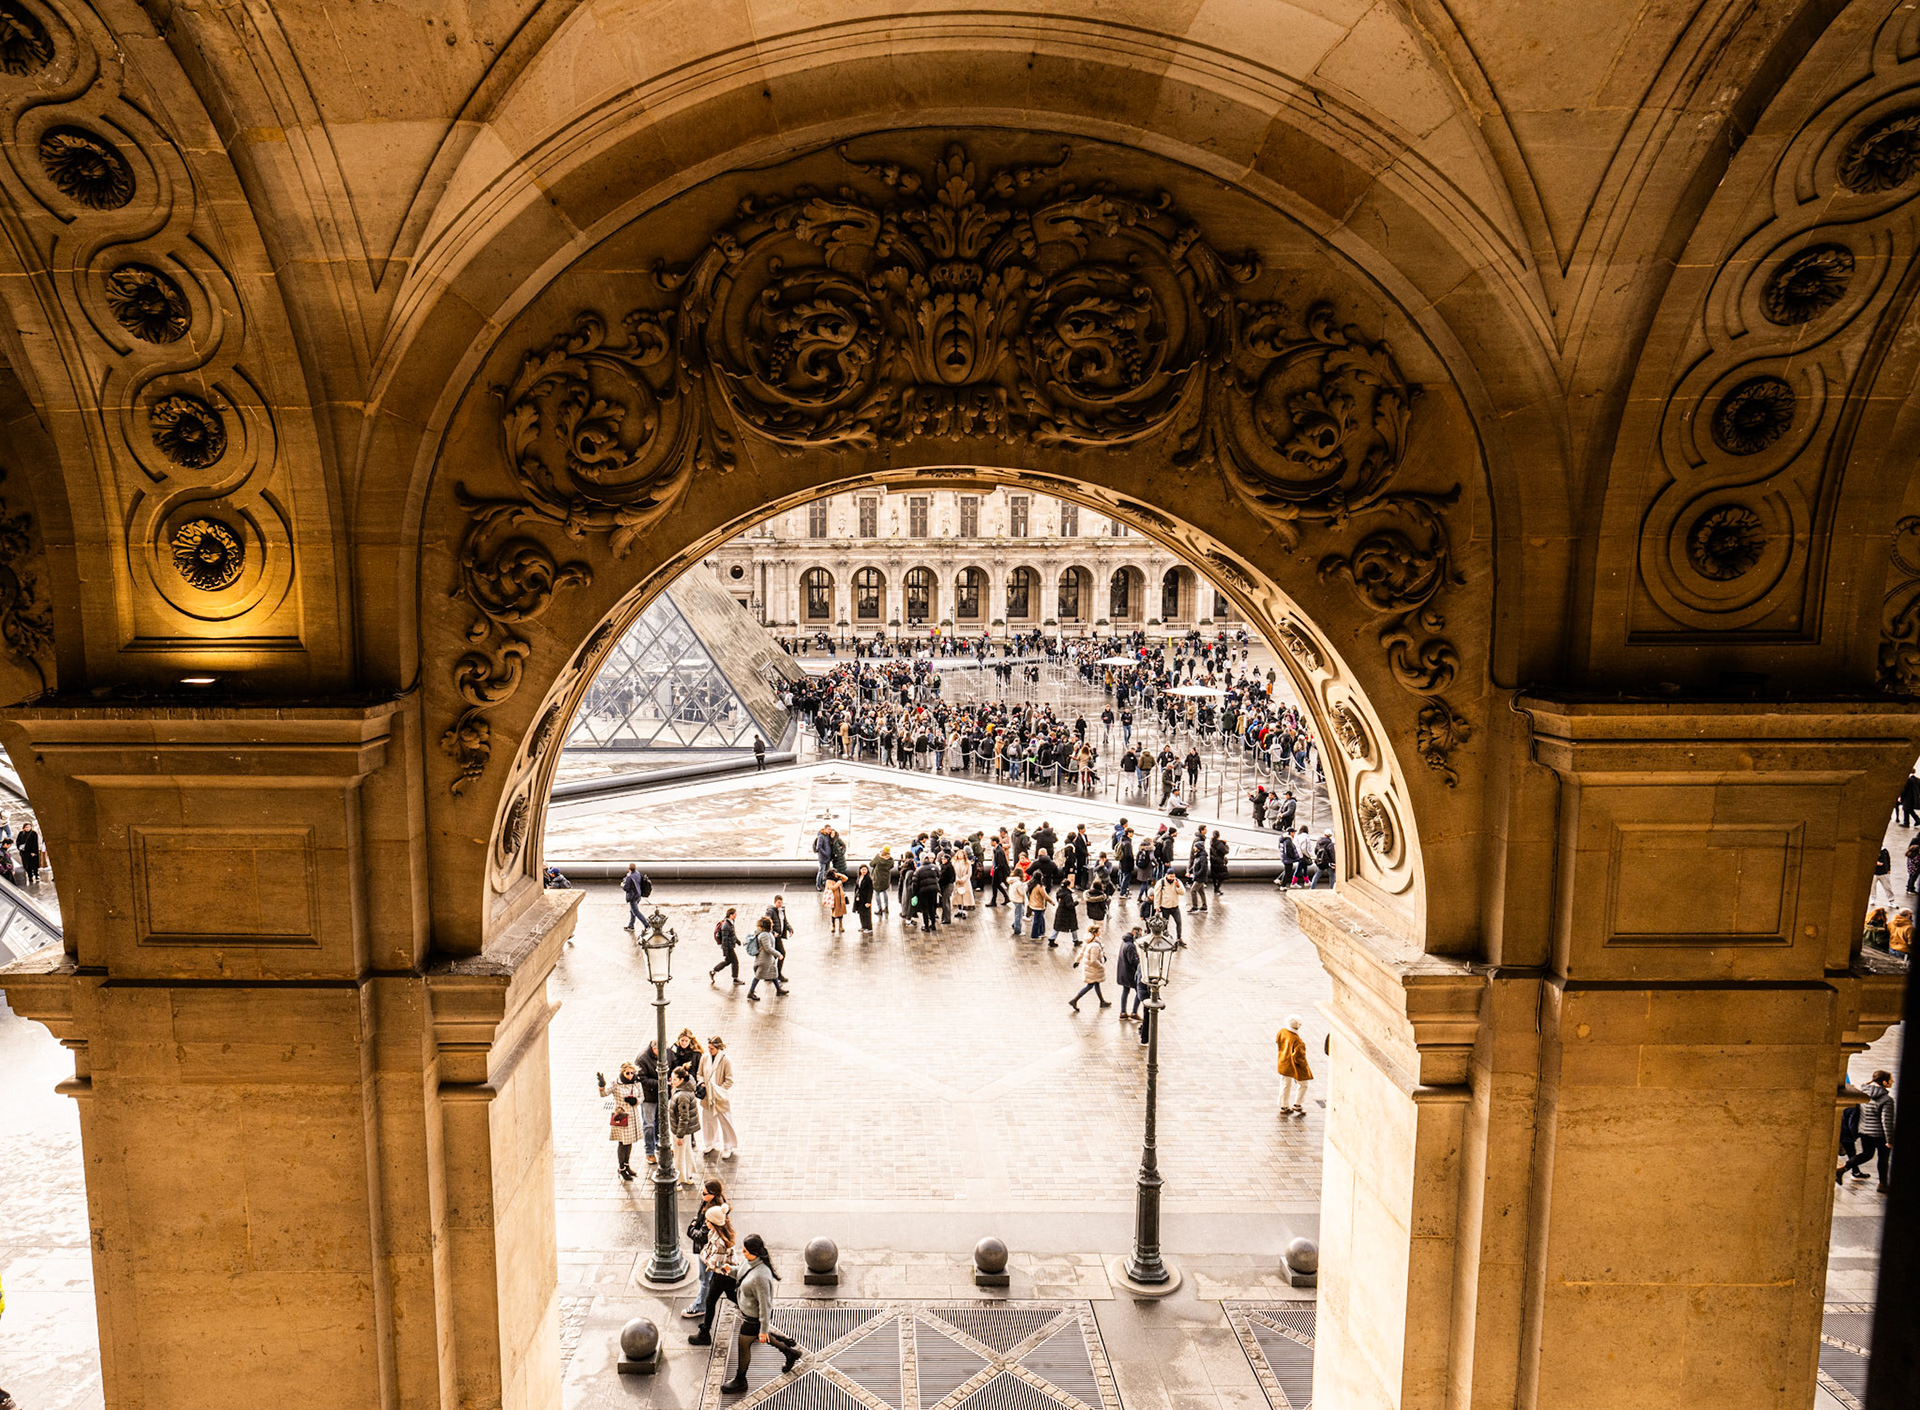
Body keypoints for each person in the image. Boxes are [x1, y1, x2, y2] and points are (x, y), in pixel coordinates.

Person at [720, 1234, 805, 1392]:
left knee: (743, 1344)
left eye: (745, 1250)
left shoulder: (761, 1276)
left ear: (755, 1252)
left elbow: (766, 1305)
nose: (742, 1252)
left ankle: (740, 1380)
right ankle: (790, 1352)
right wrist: (729, 1270)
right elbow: (742, 1272)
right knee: (763, 1338)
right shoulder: (750, 1261)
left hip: (754, 1318)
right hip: (749, 1314)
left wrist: (763, 1328)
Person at [689, 1201, 740, 1348]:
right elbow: (707, 1250)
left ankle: (705, 1334)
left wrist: (704, 1257)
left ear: (714, 1223)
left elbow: (714, 1262)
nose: (705, 1222)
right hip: (725, 1274)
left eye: (708, 1220)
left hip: (722, 1275)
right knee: (732, 1296)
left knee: (711, 1302)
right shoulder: (717, 1233)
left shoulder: (719, 1242)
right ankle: (754, 1315)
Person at [682, 1178, 729, 1320]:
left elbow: (701, 1236)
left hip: (706, 1251)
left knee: (705, 1279)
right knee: (709, 1279)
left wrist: (691, 1227)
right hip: (708, 1250)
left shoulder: (713, 1211)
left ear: (713, 1194)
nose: (701, 1196)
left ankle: (700, 1306)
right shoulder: (708, 1204)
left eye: (704, 1193)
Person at [1842, 1070, 1896, 1192]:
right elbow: (1886, 1121)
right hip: (1880, 1134)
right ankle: (1883, 1184)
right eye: (1891, 1079)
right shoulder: (1887, 1100)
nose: (1893, 1081)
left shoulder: (1863, 1094)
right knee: (1883, 1159)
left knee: (1866, 1154)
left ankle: (1843, 1168)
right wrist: (1889, 1140)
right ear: (1884, 1082)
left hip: (1864, 1131)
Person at [597, 1062, 643, 1179]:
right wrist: (602, 1086)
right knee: (623, 1142)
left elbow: (642, 1096)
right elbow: (604, 1094)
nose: (630, 1075)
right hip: (622, 1116)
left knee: (630, 1141)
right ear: (622, 1072)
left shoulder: (636, 1082)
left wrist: (636, 1101)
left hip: (634, 1115)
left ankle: (627, 1165)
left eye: (632, 1073)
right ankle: (621, 1168)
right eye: (627, 1073)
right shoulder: (616, 1083)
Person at [700, 1035, 737, 1159]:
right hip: (707, 1096)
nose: (709, 1050)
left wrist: (719, 1090)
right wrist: (702, 1083)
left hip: (719, 1097)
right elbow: (699, 1074)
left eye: (712, 1048)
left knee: (725, 1122)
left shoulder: (726, 1060)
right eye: (708, 1048)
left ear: (718, 1048)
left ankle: (728, 1146)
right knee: (708, 1121)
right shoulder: (704, 1058)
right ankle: (709, 1142)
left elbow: (729, 1080)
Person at [667, 1066, 703, 1184]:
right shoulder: (687, 1087)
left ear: (682, 1079)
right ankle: (688, 1175)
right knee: (687, 1151)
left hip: (681, 1130)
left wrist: (679, 1135)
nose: (672, 1082)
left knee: (679, 1155)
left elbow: (683, 1117)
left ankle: (679, 1179)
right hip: (687, 1130)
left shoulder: (682, 1095)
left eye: (675, 1079)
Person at [1276, 1015, 1313, 1115]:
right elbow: (1299, 1058)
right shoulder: (1298, 1041)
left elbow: (1278, 1042)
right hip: (1295, 1066)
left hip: (1283, 1062)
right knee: (1303, 1084)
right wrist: (1305, 1067)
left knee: (1285, 1085)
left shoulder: (1282, 1032)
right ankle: (1298, 1104)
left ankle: (1284, 1105)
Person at [633, 1040, 661, 1163]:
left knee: (661, 1121)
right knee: (649, 1124)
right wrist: (660, 1082)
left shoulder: (667, 1052)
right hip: (649, 1096)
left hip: (662, 1095)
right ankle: (649, 1151)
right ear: (653, 1048)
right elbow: (642, 1079)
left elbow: (673, 1063)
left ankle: (660, 1143)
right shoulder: (642, 1059)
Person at [1069, 927, 1111, 1010]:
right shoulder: (1095, 945)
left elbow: (1082, 951)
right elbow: (1093, 960)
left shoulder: (1089, 940)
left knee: (1096, 983)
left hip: (1089, 967)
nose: (1100, 932)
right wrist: (1101, 966)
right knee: (1090, 985)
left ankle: (1102, 1001)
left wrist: (1077, 961)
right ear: (1095, 933)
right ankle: (1074, 1000)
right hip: (1093, 968)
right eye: (1099, 931)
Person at [747, 917, 786, 999]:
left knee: (774, 974)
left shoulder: (767, 933)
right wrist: (778, 954)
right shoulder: (764, 935)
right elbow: (768, 948)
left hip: (769, 959)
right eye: (771, 924)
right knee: (758, 976)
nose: (773, 925)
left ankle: (778, 989)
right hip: (764, 960)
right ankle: (750, 992)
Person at [1115, 928, 1143, 1019]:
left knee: (1125, 991)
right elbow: (1133, 961)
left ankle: (1123, 1012)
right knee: (1139, 991)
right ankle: (1134, 1012)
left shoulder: (1124, 942)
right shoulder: (1131, 945)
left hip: (1123, 971)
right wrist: (1139, 959)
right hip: (1130, 973)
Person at [764, 896, 793, 980]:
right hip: (774, 937)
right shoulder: (771, 911)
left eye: (781, 902)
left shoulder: (782, 911)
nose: (780, 904)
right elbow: (766, 922)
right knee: (781, 953)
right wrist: (773, 933)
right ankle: (777, 974)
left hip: (779, 936)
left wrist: (789, 929)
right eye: (778, 903)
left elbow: (784, 921)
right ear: (775, 902)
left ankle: (771, 974)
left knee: (775, 955)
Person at [711, 908, 743, 983]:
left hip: (730, 946)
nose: (736, 915)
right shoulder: (726, 926)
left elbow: (732, 934)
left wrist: (737, 941)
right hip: (728, 947)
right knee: (735, 962)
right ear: (731, 915)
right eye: (735, 914)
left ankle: (713, 971)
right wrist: (725, 951)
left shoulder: (730, 923)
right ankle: (735, 978)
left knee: (728, 961)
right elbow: (724, 940)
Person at [1151, 869, 1185, 940]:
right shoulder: (1161, 882)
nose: (1172, 878)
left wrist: (1178, 886)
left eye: (1173, 876)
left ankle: (1179, 938)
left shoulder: (1177, 881)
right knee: (1165, 924)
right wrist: (1157, 906)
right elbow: (1157, 895)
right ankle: (1165, 937)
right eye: (1171, 876)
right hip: (1165, 907)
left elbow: (1182, 893)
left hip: (1175, 906)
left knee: (1179, 922)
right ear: (1166, 875)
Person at [1051, 881, 1079, 951]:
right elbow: (1069, 905)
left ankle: (1051, 939)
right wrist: (1076, 902)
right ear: (1067, 886)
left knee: (1057, 927)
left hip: (1060, 912)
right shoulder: (1067, 895)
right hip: (1068, 914)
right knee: (1073, 927)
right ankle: (1075, 940)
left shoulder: (1059, 892)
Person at [622, 861, 650, 930]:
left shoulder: (629, 877)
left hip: (632, 896)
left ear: (629, 869)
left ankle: (647, 925)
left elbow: (626, 888)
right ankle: (631, 925)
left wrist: (622, 885)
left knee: (636, 912)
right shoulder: (638, 874)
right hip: (638, 895)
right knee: (632, 911)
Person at [870, 847, 894, 918]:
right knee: (884, 892)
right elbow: (891, 866)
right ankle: (886, 907)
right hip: (886, 878)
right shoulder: (890, 860)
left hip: (877, 878)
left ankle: (879, 908)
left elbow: (871, 864)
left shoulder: (878, 858)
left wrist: (878, 855)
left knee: (876, 893)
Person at [854, 864, 875, 933]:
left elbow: (870, 891)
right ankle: (863, 926)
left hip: (865, 898)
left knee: (867, 913)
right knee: (861, 913)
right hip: (859, 898)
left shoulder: (868, 879)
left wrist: (869, 901)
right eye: (862, 869)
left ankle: (869, 927)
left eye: (865, 869)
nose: (864, 871)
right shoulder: (859, 877)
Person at [17, 820, 39, 885]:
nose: (27, 828)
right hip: (24, 852)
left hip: (31, 852)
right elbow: (18, 842)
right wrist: (20, 848)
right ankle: (30, 876)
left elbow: (35, 843)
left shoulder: (33, 833)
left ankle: (36, 874)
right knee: (27, 864)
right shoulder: (21, 834)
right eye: (26, 827)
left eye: (29, 827)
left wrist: (34, 852)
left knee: (34, 864)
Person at [813, 825, 833, 891]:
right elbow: (818, 848)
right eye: (828, 829)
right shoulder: (821, 836)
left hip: (828, 857)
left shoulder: (827, 836)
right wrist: (825, 854)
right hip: (823, 858)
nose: (830, 831)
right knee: (821, 871)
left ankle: (824, 882)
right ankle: (818, 885)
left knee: (826, 871)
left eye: (830, 829)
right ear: (825, 829)